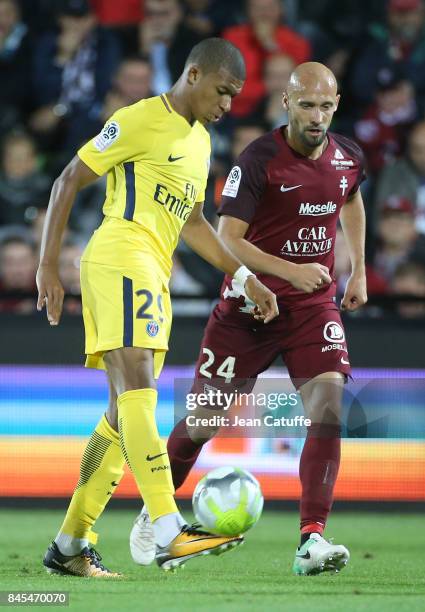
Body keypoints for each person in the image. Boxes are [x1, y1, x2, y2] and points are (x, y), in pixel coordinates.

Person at [36, 37, 278, 578]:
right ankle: (168, 530)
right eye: (221, 91)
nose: (226, 105)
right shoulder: (140, 118)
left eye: (234, 97)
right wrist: (47, 265)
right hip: (121, 254)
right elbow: (68, 178)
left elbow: (193, 222)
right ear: (193, 75)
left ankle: (70, 544)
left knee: (122, 417)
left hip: (153, 271)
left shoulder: (199, 141)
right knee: (140, 388)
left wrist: (244, 276)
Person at [130, 61, 368, 576]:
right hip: (247, 308)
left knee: (328, 405)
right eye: (306, 105)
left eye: (326, 106)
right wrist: (290, 270)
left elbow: (350, 200)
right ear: (286, 103)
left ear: (337, 105)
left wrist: (360, 270)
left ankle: (312, 540)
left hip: (311, 307)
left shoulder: (349, 157)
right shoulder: (259, 159)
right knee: (204, 422)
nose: (317, 116)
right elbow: (229, 239)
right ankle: (157, 512)